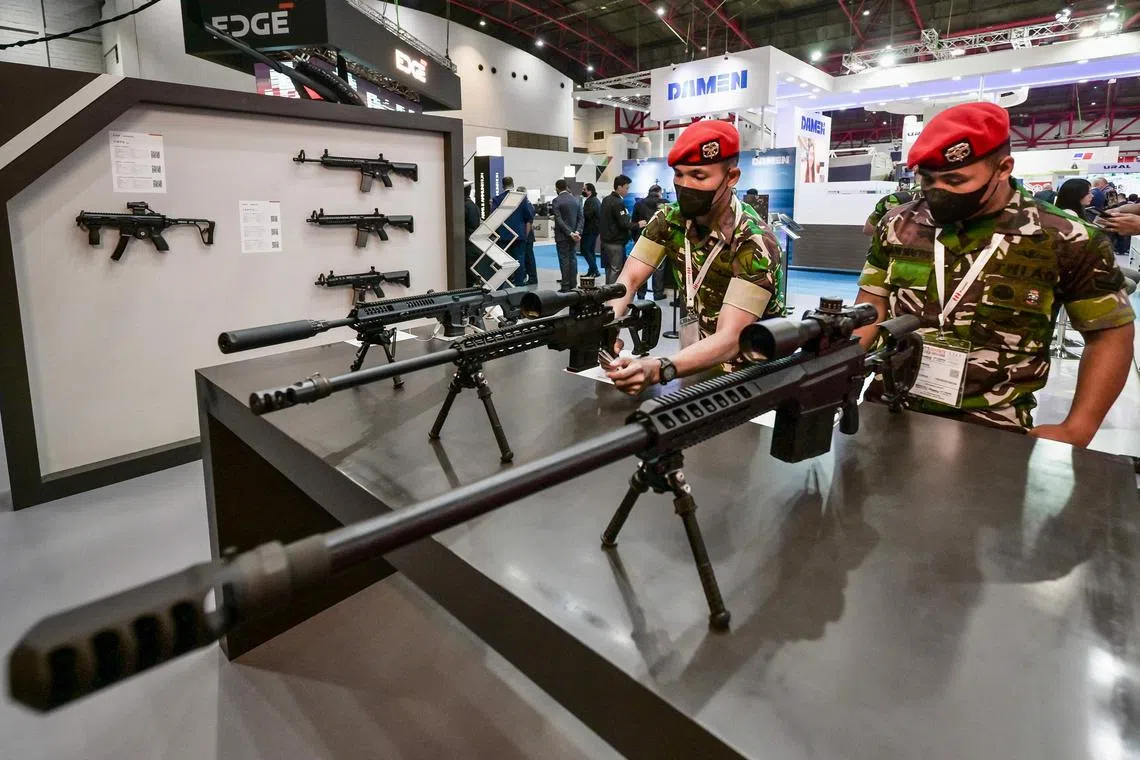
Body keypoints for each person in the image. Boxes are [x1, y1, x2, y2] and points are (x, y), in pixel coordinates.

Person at [855, 102, 1134, 447]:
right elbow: (872, 303)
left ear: (1003, 168)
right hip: (888, 408)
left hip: (992, 428)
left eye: (956, 179)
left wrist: (1078, 427)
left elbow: (1109, 335)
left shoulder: (1066, 237)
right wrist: (839, 366)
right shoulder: (899, 224)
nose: (937, 191)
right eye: (927, 179)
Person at [602, 121, 785, 394]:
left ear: (732, 177)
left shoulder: (753, 241)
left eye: (699, 177)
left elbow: (731, 337)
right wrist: (607, 327)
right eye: (678, 174)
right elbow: (629, 279)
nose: (684, 186)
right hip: (696, 363)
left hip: (751, 373)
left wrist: (659, 368)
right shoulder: (669, 220)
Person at [491, 176, 535, 286]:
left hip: (503, 235)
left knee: (502, 261)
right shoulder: (521, 198)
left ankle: (502, 285)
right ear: (513, 184)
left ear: (502, 186)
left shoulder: (497, 199)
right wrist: (525, 235)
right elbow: (528, 218)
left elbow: (493, 217)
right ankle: (519, 284)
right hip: (519, 235)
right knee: (519, 261)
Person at [631, 184, 667, 299]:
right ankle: (658, 293)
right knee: (659, 267)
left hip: (642, 239)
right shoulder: (665, 203)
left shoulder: (639, 204)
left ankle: (641, 294)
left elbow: (634, 223)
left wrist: (635, 238)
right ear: (659, 192)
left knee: (641, 267)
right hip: (660, 239)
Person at [599, 175, 634, 285]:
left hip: (605, 240)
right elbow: (624, 223)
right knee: (616, 269)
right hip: (615, 242)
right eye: (626, 188)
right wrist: (638, 224)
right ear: (619, 187)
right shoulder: (618, 202)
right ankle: (612, 296)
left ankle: (606, 294)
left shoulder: (606, 200)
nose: (627, 191)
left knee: (609, 269)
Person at [550, 178, 583, 291]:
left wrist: (569, 233)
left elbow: (559, 220)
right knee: (573, 259)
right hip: (574, 236)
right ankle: (573, 284)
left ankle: (565, 286)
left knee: (564, 260)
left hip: (563, 236)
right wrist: (577, 232)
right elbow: (581, 218)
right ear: (567, 187)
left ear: (557, 188)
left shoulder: (556, 201)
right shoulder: (576, 200)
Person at [517, 186, 538, 286]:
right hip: (527, 235)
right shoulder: (527, 204)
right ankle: (527, 276)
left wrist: (525, 236)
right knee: (526, 258)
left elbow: (529, 222)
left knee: (529, 258)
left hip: (527, 236)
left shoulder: (527, 205)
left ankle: (533, 278)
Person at [581, 183, 602, 277]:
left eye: (584, 190)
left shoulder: (591, 201)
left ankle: (595, 270)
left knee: (585, 250)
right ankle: (592, 270)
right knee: (590, 250)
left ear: (590, 191)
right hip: (594, 229)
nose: (583, 191)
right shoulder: (596, 200)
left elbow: (587, 215)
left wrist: (581, 212)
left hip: (589, 230)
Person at [463, 179, 481, 287]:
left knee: (469, 276)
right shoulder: (473, 206)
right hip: (473, 245)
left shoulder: (465, 206)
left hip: (468, 245)